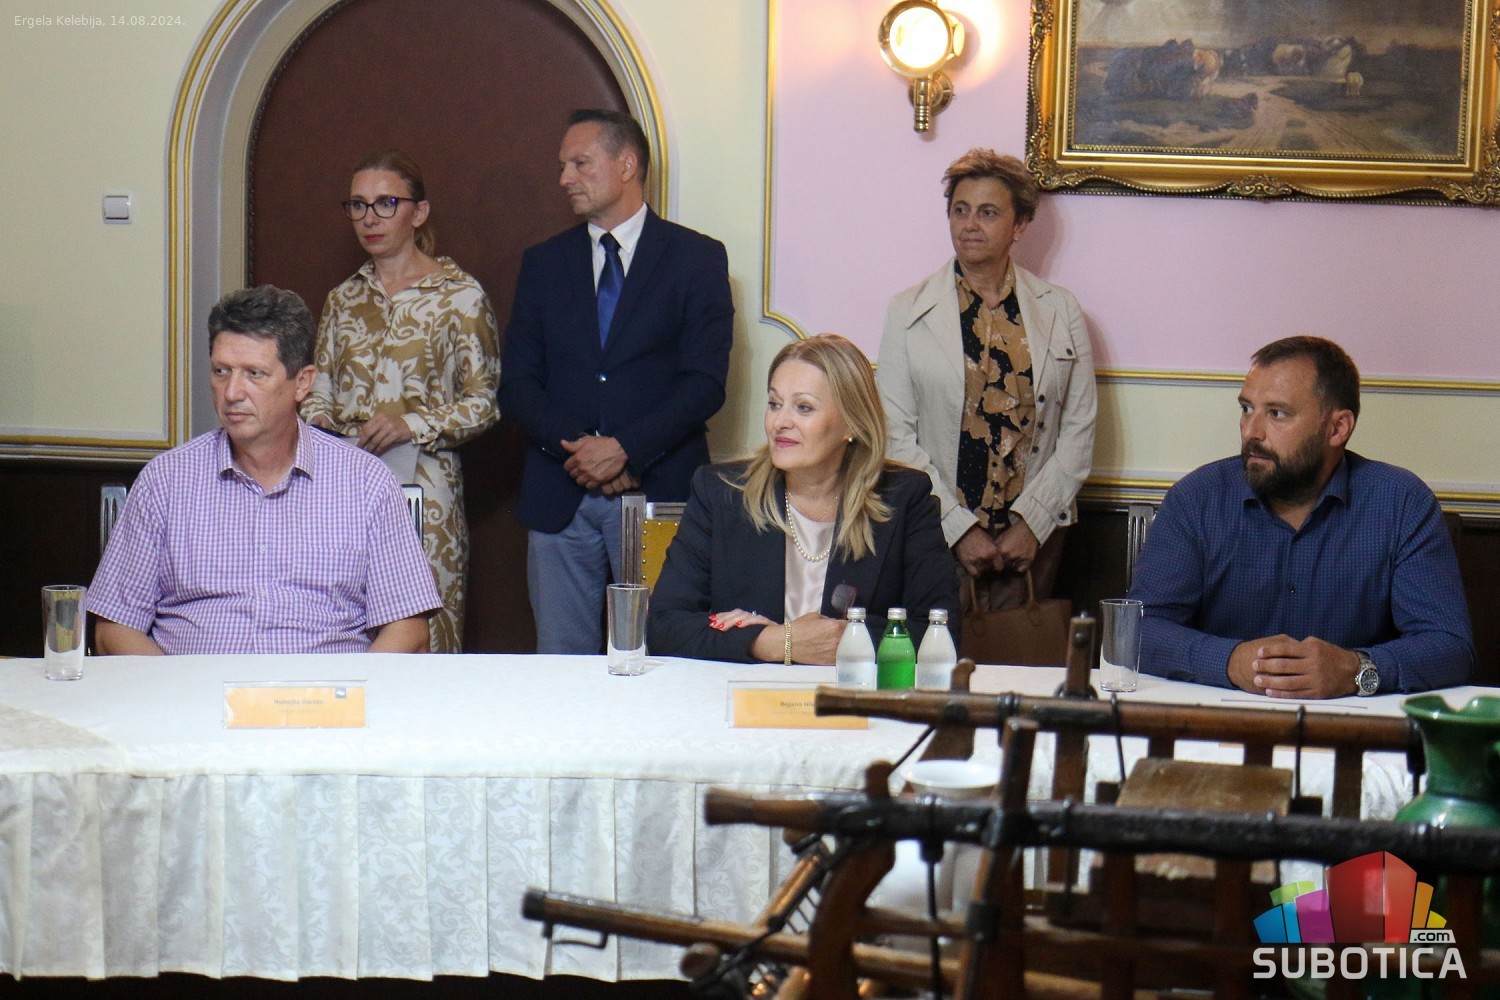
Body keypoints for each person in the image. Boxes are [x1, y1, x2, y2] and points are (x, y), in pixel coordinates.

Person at [88, 285, 442, 655]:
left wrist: (346, 689)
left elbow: (409, 629)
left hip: (325, 688)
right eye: (221, 371)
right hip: (191, 687)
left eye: (254, 374)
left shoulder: (366, 482)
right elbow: (114, 628)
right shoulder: (166, 480)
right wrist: (175, 688)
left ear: (302, 383)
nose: (231, 393)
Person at [498, 109, 734, 654]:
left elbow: (704, 382)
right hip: (560, 493)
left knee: (665, 657)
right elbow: (518, 384)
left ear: (627, 165)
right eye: (563, 166)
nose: (565, 178)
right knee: (562, 666)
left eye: (580, 164)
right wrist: (585, 450)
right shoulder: (543, 263)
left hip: (660, 490)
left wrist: (625, 449)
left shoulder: (696, 257)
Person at [1129, 336, 1473, 698]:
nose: (1251, 431)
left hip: (1354, 724)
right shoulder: (1197, 499)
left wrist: (1356, 669)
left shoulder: (1401, 503)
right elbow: (1140, 630)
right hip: (1217, 719)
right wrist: (1230, 661)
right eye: (1247, 409)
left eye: (1277, 413)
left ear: (1337, 428)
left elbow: (1449, 645)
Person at [648, 335, 958, 664]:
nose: (780, 422)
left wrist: (840, 639)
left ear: (852, 423)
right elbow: (664, 627)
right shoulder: (721, 492)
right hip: (745, 691)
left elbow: (941, 632)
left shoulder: (904, 498)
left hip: (851, 692)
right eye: (774, 404)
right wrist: (775, 642)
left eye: (804, 407)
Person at [877, 148, 1096, 614]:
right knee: (936, 653)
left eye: (988, 212)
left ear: (1020, 225)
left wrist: (1033, 523)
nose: (970, 224)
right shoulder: (907, 311)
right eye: (960, 210)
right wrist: (958, 529)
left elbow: (1079, 429)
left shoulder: (1060, 310)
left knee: (1022, 655)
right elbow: (895, 436)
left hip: (1033, 541)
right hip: (934, 532)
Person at [301, 149, 499, 653]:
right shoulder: (343, 298)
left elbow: (484, 403)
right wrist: (320, 422)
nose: (369, 218)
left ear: (419, 212)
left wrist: (411, 423)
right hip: (343, 485)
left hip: (425, 490)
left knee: (424, 632)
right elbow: (318, 385)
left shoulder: (460, 296)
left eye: (386, 203)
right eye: (358, 205)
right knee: (345, 620)